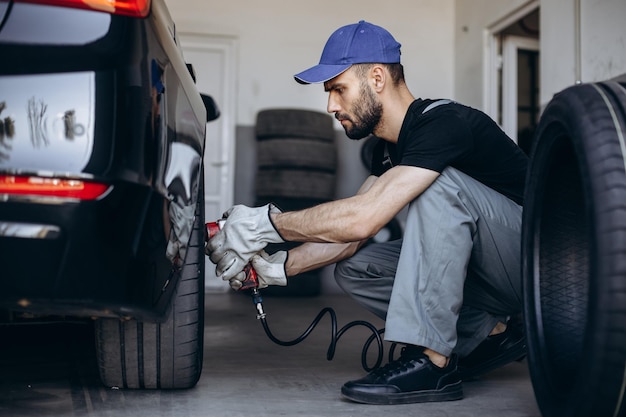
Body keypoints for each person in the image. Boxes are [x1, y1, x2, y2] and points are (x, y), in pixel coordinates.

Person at [207, 20, 528, 405]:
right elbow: (353, 234)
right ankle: (492, 333)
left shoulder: (443, 122)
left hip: (534, 264)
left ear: (377, 77)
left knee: (441, 183)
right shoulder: (386, 149)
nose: (330, 106)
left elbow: (366, 217)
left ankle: (434, 365)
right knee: (358, 267)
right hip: (488, 273)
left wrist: (265, 225)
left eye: (338, 90)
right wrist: (273, 269)